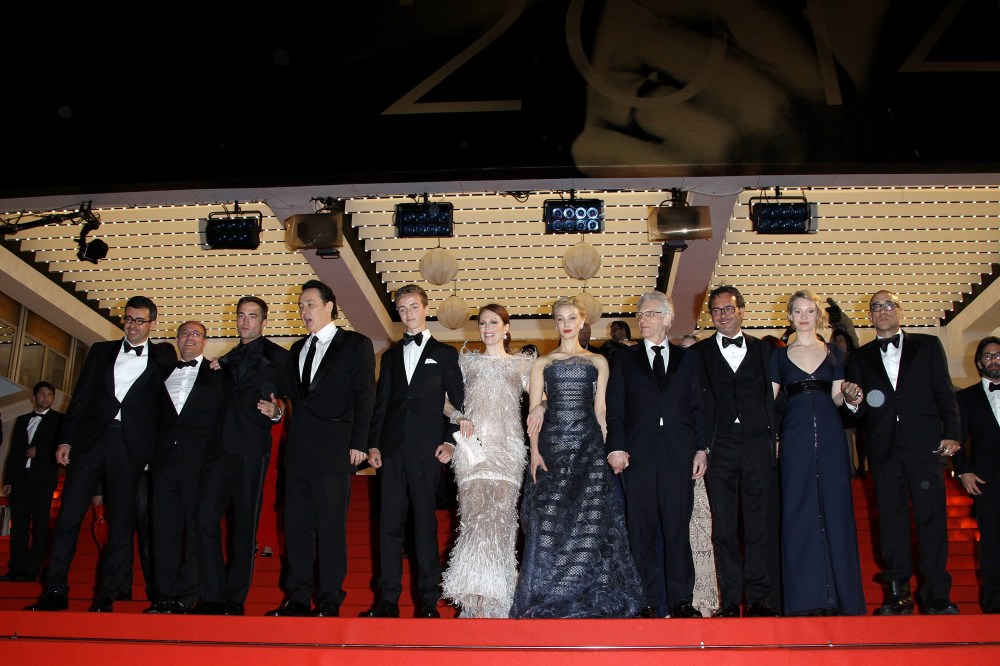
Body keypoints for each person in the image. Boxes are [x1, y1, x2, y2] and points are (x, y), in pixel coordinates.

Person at [27, 296, 176, 612]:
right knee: (68, 516)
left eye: (140, 320)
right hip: (91, 441)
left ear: (152, 323)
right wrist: (66, 440)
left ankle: (105, 596)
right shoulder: (100, 351)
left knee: (121, 524)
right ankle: (55, 591)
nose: (132, 326)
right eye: (129, 319)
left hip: (130, 446)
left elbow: (166, 401)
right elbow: (80, 398)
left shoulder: (161, 359)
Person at [511, 296, 642, 618]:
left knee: (591, 522)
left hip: (589, 447)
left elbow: (601, 411)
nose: (566, 323)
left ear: (582, 321)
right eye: (560, 318)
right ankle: (548, 593)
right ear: (554, 323)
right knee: (549, 522)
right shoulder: (542, 363)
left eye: (572, 318)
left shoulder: (598, 361)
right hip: (552, 448)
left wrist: (609, 450)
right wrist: (535, 452)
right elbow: (534, 412)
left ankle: (586, 591)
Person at [846, 289, 962, 615]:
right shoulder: (859, 357)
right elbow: (857, 411)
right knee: (891, 522)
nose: (882, 311)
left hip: (925, 445)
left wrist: (953, 433)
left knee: (932, 520)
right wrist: (853, 400)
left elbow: (944, 392)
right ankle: (898, 595)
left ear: (899, 310)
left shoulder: (927, 345)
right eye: (876, 307)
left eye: (888, 305)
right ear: (870, 315)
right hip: (883, 450)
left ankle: (936, 595)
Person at [265, 281, 376, 617]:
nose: (304, 311)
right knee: (296, 527)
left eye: (310, 304)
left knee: (330, 527)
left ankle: (329, 598)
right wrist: (277, 412)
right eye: (301, 306)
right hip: (299, 449)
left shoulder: (355, 344)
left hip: (335, 447)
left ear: (329, 306)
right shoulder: (298, 348)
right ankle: (297, 597)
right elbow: (290, 397)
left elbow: (364, 396)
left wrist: (359, 442)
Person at [363, 284, 465, 619]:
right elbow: (381, 404)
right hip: (391, 450)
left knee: (424, 524)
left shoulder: (445, 354)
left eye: (413, 307)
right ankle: (387, 600)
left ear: (425, 308)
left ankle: (428, 601)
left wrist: (450, 441)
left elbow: (460, 406)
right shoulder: (390, 356)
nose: (408, 313)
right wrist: (374, 443)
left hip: (427, 450)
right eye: (402, 308)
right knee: (388, 526)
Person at [606, 291, 705, 619]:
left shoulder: (688, 359)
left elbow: (698, 406)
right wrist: (616, 447)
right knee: (641, 530)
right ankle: (646, 600)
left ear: (668, 318)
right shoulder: (624, 358)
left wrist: (701, 449)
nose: (643, 319)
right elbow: (616, 407)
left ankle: (681, 600)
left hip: (679, 454)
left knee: (678, 529)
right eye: (640, 314)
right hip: (638, 455)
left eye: (650, 313)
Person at [770, 291, 866, 616]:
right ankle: (804, 599)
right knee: (797, 510)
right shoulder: (778, 356)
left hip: (831, 435)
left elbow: (838, 397)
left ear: (818, 315)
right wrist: (774, 437)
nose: (803, 316)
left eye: (809, 311)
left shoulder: (835, 352)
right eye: (798, 311)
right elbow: (769, 402)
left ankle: (840, 598)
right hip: (794, 436)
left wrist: (851, 397)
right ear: (790, 316)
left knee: (836, 510)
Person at [687, 286, 780, 618]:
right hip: (720, 446)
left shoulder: (765, 351)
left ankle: (758, 599)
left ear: (742, 310)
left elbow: (777, 398)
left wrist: (776, 436)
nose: (723, 315)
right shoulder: (698, 354)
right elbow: (694, 405)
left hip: (757, 444)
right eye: (716, 310)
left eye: (728, 308)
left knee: (758, 524)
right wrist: (701, 446)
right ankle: (729, 601)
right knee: (724, 527)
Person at [196, 296, 291, 616]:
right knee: (204, 519)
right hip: (217, 450)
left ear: (264, 322)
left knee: (244, 525)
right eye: (241, 315)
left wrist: (277, 413)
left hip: (251, 448)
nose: (245, 321)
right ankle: (212, 596)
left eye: (252, 316)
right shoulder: (224, 360)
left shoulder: (280, 358)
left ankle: (234, 600)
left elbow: (295, 399)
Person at [441, 304, 534, 618]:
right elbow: (441, 397)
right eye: (482, 323)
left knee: (503, 521)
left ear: (506, 328)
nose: (488, 328)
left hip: (509, 450)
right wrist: (457, 415)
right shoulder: (466, 362)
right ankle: (474, 602)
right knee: (475, 518)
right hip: (472, 450)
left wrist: (540, 407)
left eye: (494, 322)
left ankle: (500, 598)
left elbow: (542, 396)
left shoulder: (521, 364)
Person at [145, 321, 226, 614]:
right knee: (163, 530)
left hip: (201, 463)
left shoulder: (218, 375)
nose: (189, 338)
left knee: (195, 529)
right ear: (177, 339)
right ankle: (162, 596)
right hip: (164, 462)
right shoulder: (159, 374)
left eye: (196, 334)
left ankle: (186, 596)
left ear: (205, 341)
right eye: (184, 333)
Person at [953, 336, 1000, 613]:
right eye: (988, 356)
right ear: (979, 362)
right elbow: (956, 439)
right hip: (987, 480)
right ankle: (995, 601)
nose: (994, 359)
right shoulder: (966, 398)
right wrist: (964, 470)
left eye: (998, 355)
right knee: (991, 541)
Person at [1, 382, 64, 582]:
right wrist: (8, 480)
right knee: (18, 525)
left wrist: (41, 452)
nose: (46, 398)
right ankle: (16, 568)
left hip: (43, 480)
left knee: (39, 526)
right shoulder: (22, 420)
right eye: (43, 394)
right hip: (20, 480)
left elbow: (64, 448)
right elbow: (13, 452)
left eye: (50, 395)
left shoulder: (60, 420)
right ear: (34, 397)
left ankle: (33, 569)